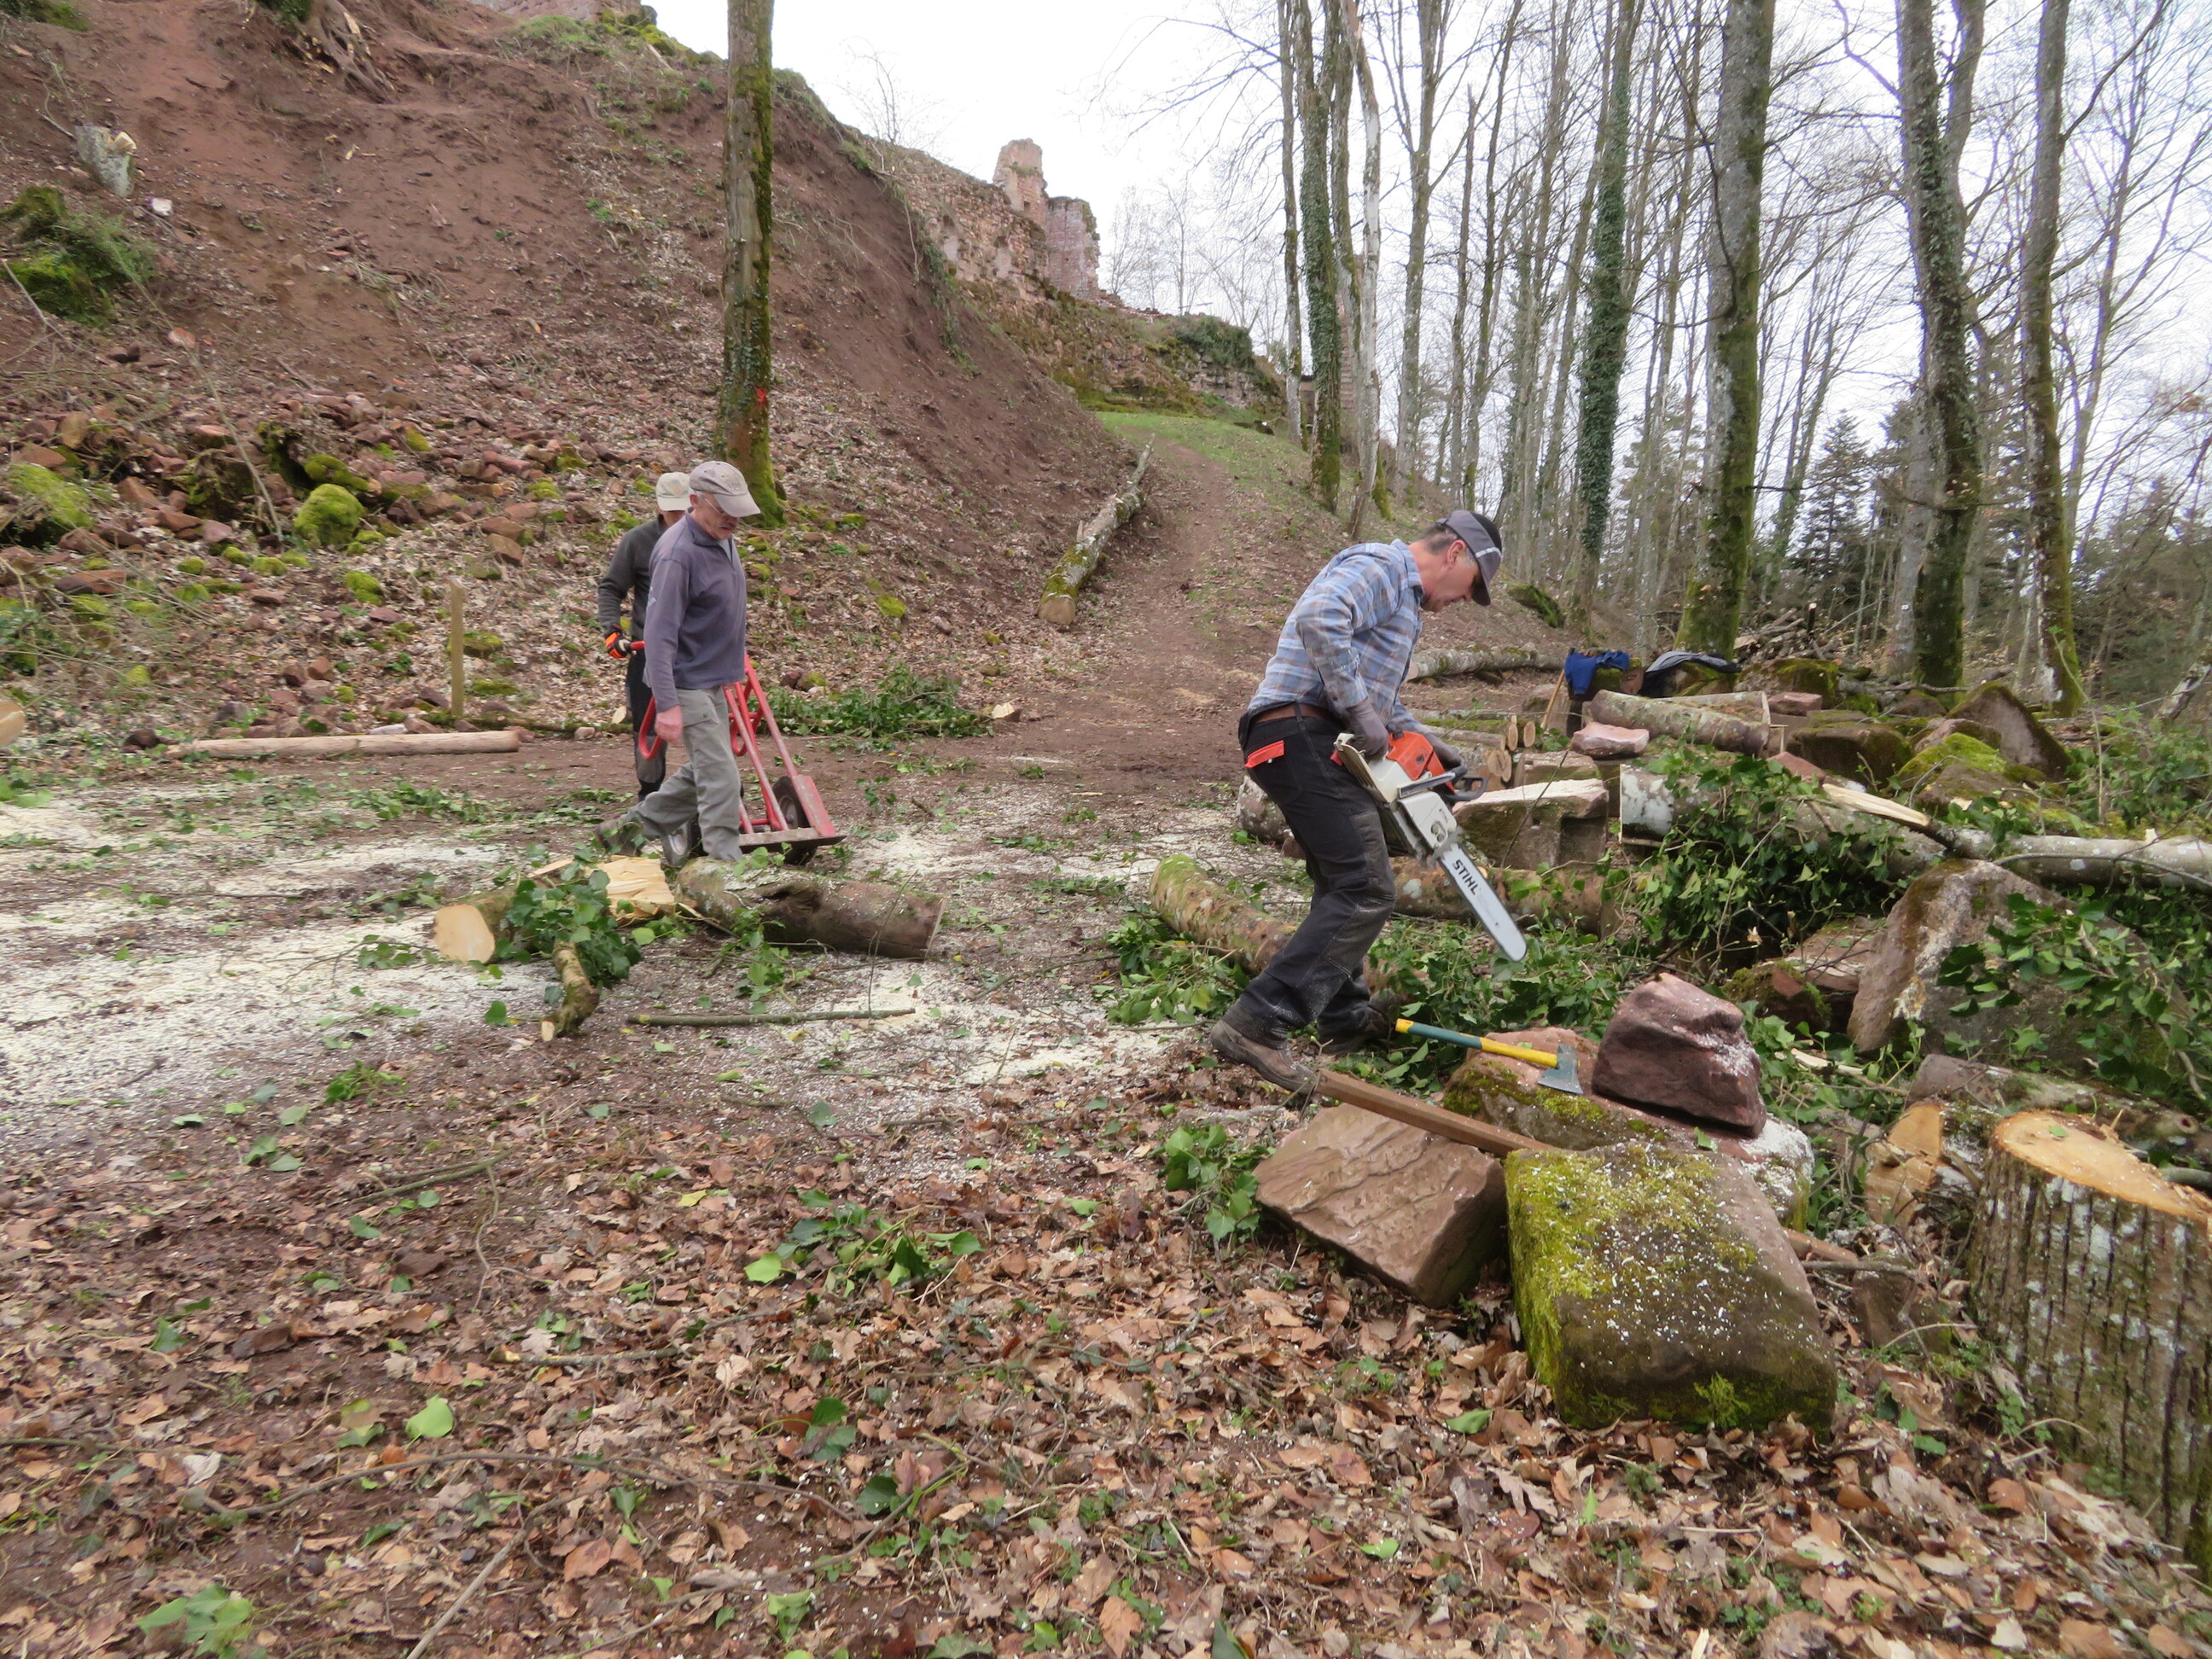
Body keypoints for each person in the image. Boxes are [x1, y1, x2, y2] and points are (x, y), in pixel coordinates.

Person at [1209, 509, 1505, 1093]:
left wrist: (1428, 744)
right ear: (1455, 555)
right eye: (1470, 586)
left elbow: (1378, 701)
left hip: (1309, 736)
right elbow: (1321, 618)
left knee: (1341, 882)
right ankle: (1257, 1024)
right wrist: (1361, 711)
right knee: (1366, 887)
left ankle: (1343, 1018)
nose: (1461, 601)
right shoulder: (1383, 566)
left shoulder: (1402, 604)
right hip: (1299, 731)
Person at [604, 460, 761, 868]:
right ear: (695, 501)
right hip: (685, 681)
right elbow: (659, 634)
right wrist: (668, 704)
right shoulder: (678, 554)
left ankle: (623, 834)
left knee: (706, 771)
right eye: (723, 510)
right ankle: (724, 870)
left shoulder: (720, 533)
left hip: (712, 678)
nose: (732, 520)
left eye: (737, 511)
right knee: (722, 779)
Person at [596, 471, 692, 797]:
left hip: (696, 650)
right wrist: (612, 631)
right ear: (659, 506)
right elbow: (611, 588)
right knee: (649, 727)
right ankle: (649, 794)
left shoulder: (707, 540)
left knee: (710, 724)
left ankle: (716, 794)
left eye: (684, 508)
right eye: (672, 509)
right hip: (650, 650)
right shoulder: (638, 541)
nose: (679, 515)